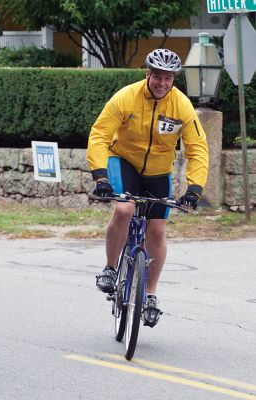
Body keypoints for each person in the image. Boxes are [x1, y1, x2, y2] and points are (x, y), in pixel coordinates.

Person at [87, 48, 209, 327]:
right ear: (148, 75)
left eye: (168, 78)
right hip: (124, 162)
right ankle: (109, 268)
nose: (163, 83)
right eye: (158, 77)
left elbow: (197, 147)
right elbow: (100, 134)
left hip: (158, 171)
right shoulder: (126, 97)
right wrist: (101, 177)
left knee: (156, 229)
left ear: (173, 80)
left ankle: (150, 293)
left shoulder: (181, 106)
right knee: (124, 209)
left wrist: (194, 188)